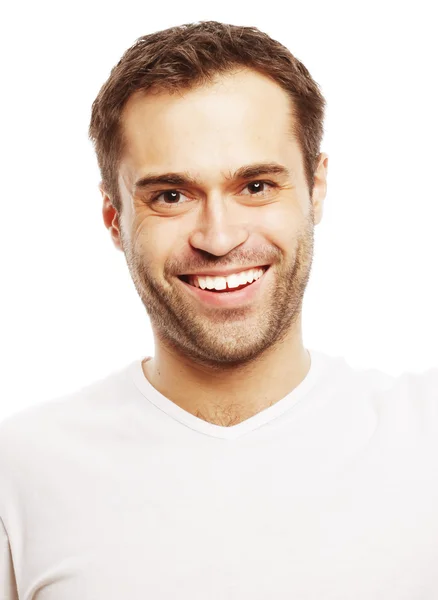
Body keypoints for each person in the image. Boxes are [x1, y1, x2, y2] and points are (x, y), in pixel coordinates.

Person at [1, 20, 437, 600]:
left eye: (256, 186)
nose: (219, 236)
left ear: (316, 188)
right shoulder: (20, 471)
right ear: (114, 219)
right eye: (171, 196)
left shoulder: (425, 437)